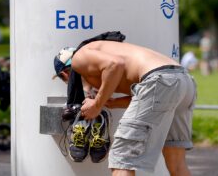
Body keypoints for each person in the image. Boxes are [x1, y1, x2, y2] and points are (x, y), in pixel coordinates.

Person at [54, 40, 196, 176]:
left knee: (121, 160)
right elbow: (149, 97)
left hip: (159, 79)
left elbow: (115, 65)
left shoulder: (79, 58)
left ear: (64, 74)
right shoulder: (98, 52)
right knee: (177, 164)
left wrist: (97, 105)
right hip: (183, 80)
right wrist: (112, 102)